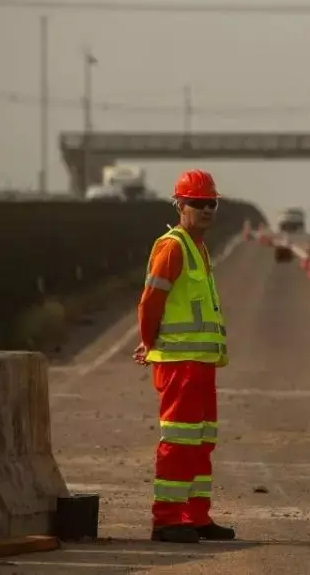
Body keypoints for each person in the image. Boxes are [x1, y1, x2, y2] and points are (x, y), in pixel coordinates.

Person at [132, 169, 235, 544]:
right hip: (180, 364)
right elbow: (150, 301)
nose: (206, 209)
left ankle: (196, 515)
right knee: (179, 441)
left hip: (200, 363)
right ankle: (167, 519)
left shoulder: (198, 246)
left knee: (201, 441)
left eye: (212, 203)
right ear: (180, 206)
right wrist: (148, 341)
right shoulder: (173, 246)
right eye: (198, 203)